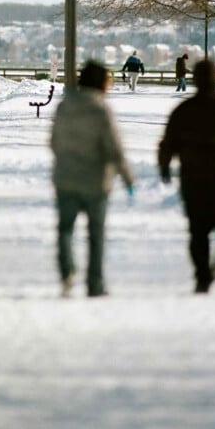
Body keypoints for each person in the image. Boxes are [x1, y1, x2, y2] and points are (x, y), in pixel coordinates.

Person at [51, 60, 135, 297]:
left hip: (65, 179)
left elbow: (54, 142)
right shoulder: (101, 109)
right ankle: (95, 284)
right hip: (96, 182)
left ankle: (67, 272)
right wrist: (128, 178)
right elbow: (114, 148)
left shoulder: (64, 106)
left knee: (65, 229)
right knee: (96, 234)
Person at [158, 60, 215, 293]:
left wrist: (165, 168)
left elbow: (168, 143)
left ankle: (202, 275)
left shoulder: (184, 110)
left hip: (194, 178)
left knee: (198, 231)